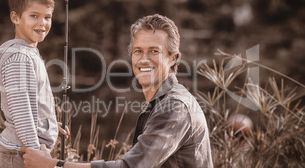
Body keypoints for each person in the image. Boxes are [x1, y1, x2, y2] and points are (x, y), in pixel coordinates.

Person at [21, 14, 213, 168]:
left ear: (173, 58)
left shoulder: (175, 107)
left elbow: (130, 167)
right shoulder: (161, 102)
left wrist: (52, 165)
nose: (144, 59)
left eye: (154, 51)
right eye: (138, 51)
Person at [0, 0, 66, 167]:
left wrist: (51, 125)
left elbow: (31, 104)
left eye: (47, 17)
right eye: (34, 16)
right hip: (21, 152)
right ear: (15, 18)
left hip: (25, 147)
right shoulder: (19, 59)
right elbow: (22, 114)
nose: (42, 23)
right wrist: (39, 156)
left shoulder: (27, 52)